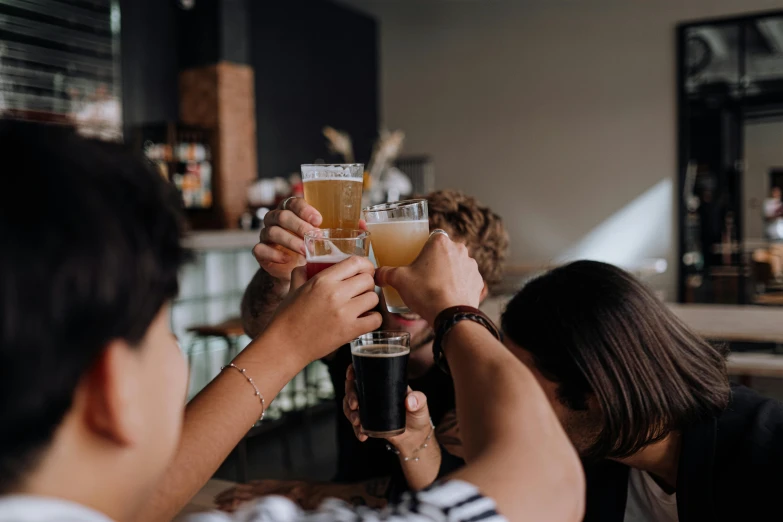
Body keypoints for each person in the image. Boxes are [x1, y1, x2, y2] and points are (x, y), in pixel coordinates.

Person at [0, 120, 584, 522]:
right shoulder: (365, 330)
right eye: (167, 335)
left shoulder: (493, 374)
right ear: (113, 388)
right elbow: (547, 484)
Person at [359, 260, 783, 522]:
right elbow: (489, 512)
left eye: (522, 382)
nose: (513, 402)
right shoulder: (598, 454)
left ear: (593, 390)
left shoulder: (766, 459)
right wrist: (415, 439)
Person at [231, 190, 508, 506]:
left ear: (475, 290)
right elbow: (259, 326)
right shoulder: (362, 325)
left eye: (429, 274)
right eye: (402, 262)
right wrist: (281, 277)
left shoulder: (485, 364)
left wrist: (314, 493)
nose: (408, 285)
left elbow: (456, 486)